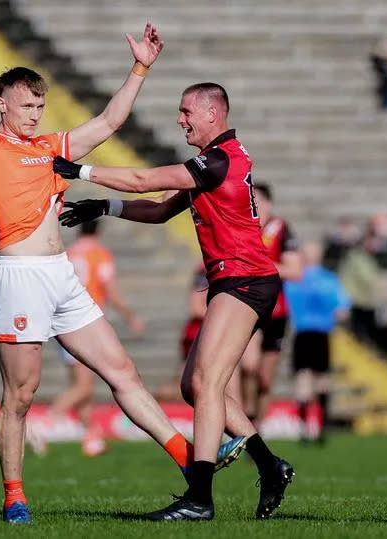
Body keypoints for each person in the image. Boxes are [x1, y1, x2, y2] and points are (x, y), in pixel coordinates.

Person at [0, 7, 243, 524]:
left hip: (61, 276)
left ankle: (186, 462)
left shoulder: (53, 147)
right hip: (20, 277)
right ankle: (14, 496)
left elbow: (111, 121)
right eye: (27, 105)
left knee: (122, 372)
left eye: (41, 105)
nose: (36, 114)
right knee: (21, 395)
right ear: (2, 104)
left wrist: (140, 69)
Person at [54, 82, 295, 520]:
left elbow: (147, 180)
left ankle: (199, 500)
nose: (180, 119)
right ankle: (269, 465)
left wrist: (80, 171)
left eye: (186, 111)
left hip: (245, 280)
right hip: (234, 281)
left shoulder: (218, 160)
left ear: (211, 114)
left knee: (208, 384)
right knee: (195, 386)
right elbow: (162, 208)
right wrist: (104, 207)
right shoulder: (216, 164)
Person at [34, 220, 146, 457]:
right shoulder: (100, 255)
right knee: (83, 386)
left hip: (62, 322)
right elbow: (110, 290)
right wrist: (130, 316)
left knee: (82, 383)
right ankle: (43, 423)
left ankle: (91, 437)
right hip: (84, 323)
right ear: (98, 230)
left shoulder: (68, 253)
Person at [240, 183, 302, 428]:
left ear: (268, 204)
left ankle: (258, 429)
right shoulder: (241, 227)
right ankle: (247, 412)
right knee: (248, 365)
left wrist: (260, 266)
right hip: (249, 307)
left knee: (265, 380)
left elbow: (295, 271)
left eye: (258, 201)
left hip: (277, 311)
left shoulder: (281, 229)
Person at [284, 243, 350, 443]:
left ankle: (304, 430)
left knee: (302, 379)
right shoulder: (329, 280)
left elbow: (284, 306)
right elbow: (343, 312)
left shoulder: (294, 280)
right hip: (322, 334)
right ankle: (322, 429)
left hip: (302, 333)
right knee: (322, 380)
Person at [155, 264, 207, 402]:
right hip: (198, 334)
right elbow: (195, 308)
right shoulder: (206, 271)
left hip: (215, 334)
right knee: (189, 387)